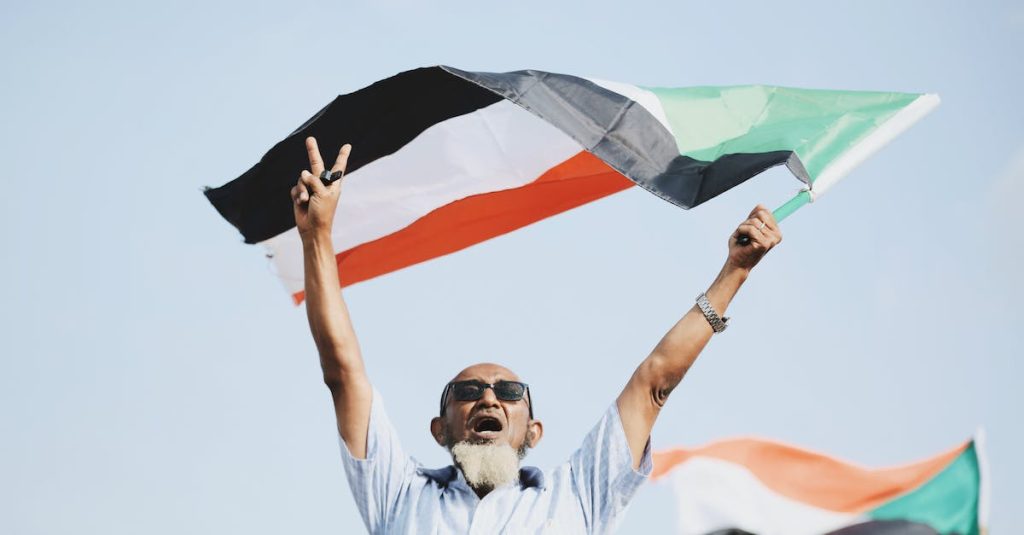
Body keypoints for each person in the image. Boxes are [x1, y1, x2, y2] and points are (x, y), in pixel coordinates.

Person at [290, 137, 782, 534]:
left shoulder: (578, 496)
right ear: (440, 430)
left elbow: (654, 382)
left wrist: (734, 272)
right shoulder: (400, 495)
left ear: (533, 430)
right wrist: (318, 237)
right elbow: (343, 373)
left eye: (508, 392)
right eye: (467, 392)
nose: (489, 398)